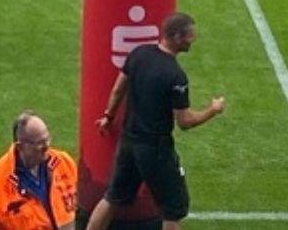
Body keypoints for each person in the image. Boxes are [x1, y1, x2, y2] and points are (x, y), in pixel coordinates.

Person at [86, 12, 224, 230]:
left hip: (129, 142)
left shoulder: (139, 53)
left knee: (112, 197)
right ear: (177, 37)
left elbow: (118, 88)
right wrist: (212, 110)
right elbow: (185, 122)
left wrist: (108, 116)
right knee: (172, 208)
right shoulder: (176, 76)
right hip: (156, 150)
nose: (192, 40)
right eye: (190, 36)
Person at [0, 111, 77, 230]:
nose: (46, 147)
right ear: (20, 146)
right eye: (39, 143)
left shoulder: (64, 163)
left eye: (47, 139)